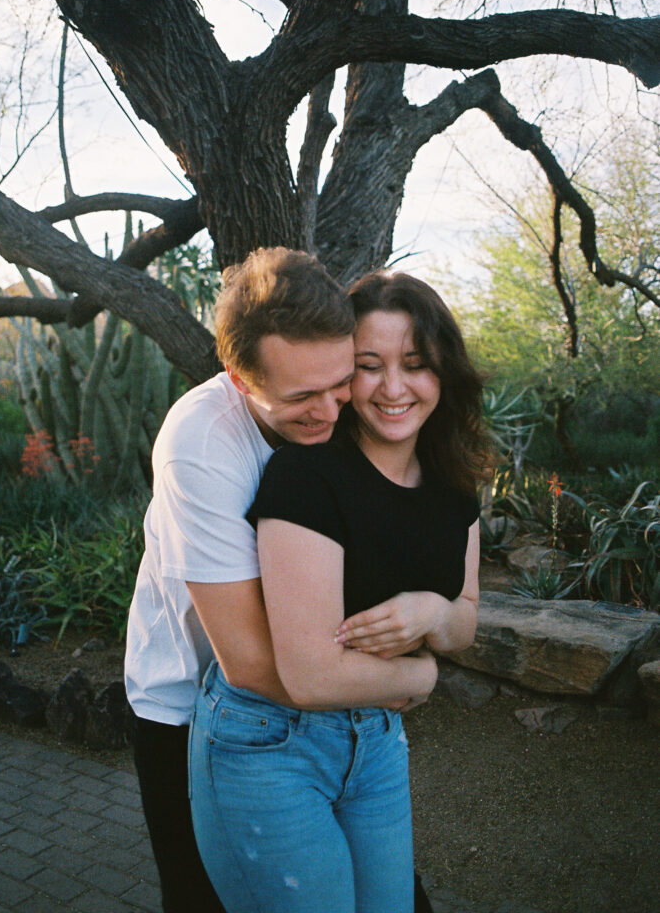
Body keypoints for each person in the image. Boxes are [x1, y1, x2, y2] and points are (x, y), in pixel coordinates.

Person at [125, 249, 435, 913]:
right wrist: (413, 679)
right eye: (301, 397)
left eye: (340, 381)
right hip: (194, 707)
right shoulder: (202, 444)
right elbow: (252, 662)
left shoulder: (344, 403)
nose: (331, 411)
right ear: (239, 378)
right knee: (202, 898)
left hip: (328, 698)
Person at [187, 270, 495, 913]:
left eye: (415, 364)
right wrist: (424, 678)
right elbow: (309, 676)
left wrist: (432, 611)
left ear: (444, 372)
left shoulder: (454, 479)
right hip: (269, 742)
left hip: (377, 741)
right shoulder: (305, 475)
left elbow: (465, 618)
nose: (393, 388)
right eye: (368, 366)